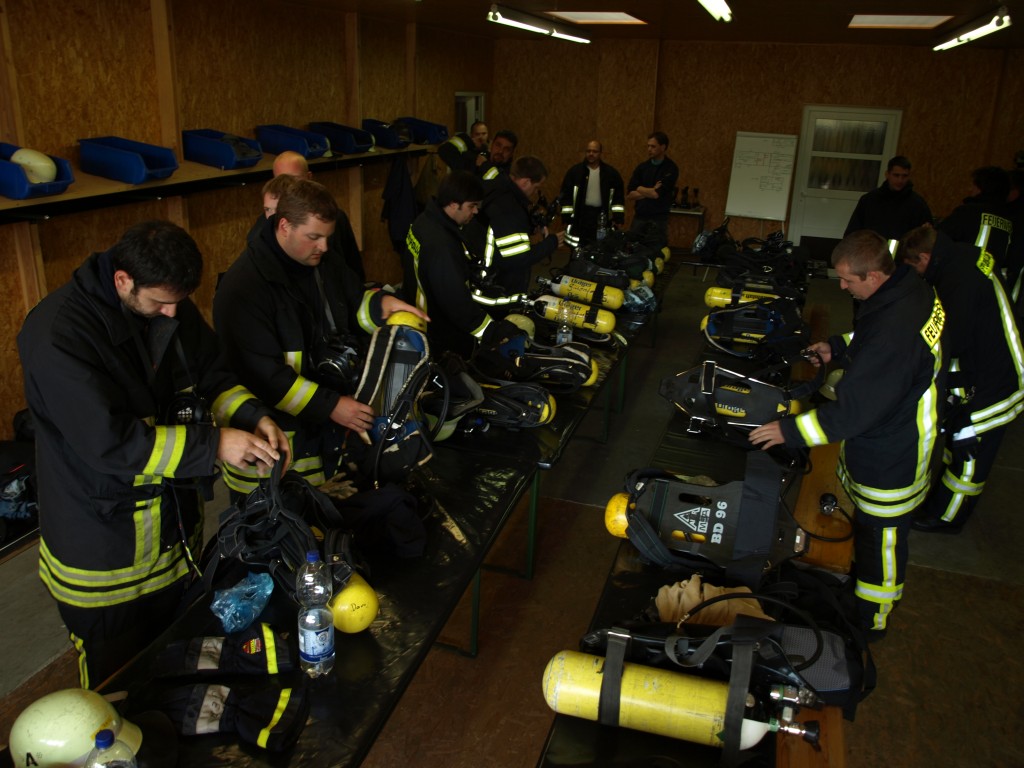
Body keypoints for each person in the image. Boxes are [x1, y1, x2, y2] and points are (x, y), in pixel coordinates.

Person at [17, 220, 289, 688]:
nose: (171, 314)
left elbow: (211, 376)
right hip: (103, 553)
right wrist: (217, 443)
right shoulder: (58, 334)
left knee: (174, 663)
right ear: (123, 280)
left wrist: (251, 418)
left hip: (169, 536)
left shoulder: (167, 307)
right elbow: (111, 442)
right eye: (160, 302)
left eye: (178, 303)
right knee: (117, 686)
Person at [748, 230, 945, 638]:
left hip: (894, 451)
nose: (840, 287)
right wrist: (837, 346)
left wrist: (789, 430)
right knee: (873, 537)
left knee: (882, 541)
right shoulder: (909, 292)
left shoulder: (895, 330)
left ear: (873, 276)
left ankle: (872, 618)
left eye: (847, 281)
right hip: (900, 428)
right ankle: (862, 592)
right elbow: (873, 339)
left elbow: (853, 412)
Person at [214, 179, 427, 494]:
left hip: (322, 437)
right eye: (313, 237)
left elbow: (353, 300)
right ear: (284, 226)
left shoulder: (320, 262)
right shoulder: (244, 289)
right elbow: (262, 376)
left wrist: (382, 303)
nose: (324, 247)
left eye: (328, 237)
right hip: (270, 456)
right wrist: (331, 406)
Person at [901, 225, 1024, 533]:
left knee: (969, 448)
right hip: (988, 365)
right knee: (957, 435)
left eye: (914, 265)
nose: (916, 273)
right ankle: (941, 502)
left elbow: (951, 342)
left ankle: (947, 518)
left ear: (926, 256)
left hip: (1001, 380)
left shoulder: (959, 281)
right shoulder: (962, 255)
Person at [405, 171, 504, 358]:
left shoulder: (423, 221)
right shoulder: (441, 244)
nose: (475, 211)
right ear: (453, 204)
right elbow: (456, 304)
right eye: (471, 206)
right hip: (437, 330)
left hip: (420, 313)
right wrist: (492, 332)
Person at [253, 151, 366, 282]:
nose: (287, 187)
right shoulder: (260, 232)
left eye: (294, 180)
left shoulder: (335, 217)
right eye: (280, 180)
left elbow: (351, 266)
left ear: (309, 177)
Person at [475, 155, 565, 296]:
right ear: (526, 182)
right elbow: (519, 259)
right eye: (536, 188)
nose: (534, 193)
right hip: (498, 287)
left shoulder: (499, 189)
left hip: (486, 276)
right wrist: (551, 243)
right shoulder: (509, 208)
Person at [938, 166, 1013, 274]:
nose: (969, 189)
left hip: (965, 275)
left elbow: (940, 238)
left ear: (981, 188)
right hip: (993, 281)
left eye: (973, 185)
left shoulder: (969, 212)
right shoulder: (1009, 219)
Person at [844, 155, 932, 243]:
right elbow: (853, 231)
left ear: (909, 177)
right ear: (887, 174)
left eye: (904, 176)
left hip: (902, 254)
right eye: (896, 175)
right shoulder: (869, 200)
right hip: (872, 252)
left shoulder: (917, 204)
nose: (900, 180)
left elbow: (927, 236)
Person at [559, 140, 626, 248]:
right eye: (588, 151)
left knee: (600, 247)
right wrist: (567, 217)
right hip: (581, 216)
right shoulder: (575, 172)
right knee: (578, 247)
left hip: (601, 217)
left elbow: (618, 199)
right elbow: (566, 196)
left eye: (595, 151)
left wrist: (618, 218)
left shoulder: (610, 174)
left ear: (600, 153)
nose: (591, 154)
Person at [626, 131, 679, 244]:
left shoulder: (670, 168)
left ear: (663, 147)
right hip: (640, 216)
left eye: (653, 146)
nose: (649, 149)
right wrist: (650, 190)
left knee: (656, 250)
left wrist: (639, 188)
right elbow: (630, 195)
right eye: (648, 146)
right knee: (632, 247)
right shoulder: (642, 168)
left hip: (658, 218)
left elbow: (656, 194)